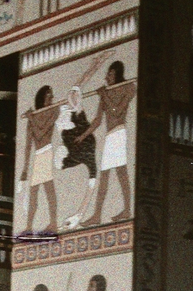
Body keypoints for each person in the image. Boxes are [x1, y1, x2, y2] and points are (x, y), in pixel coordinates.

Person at [77, 61, 136, 226]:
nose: (107, 78)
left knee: (112, 174)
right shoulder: (107, 93)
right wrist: (83, 136)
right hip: (110, 135)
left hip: (118, 132)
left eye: (110, 74)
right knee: (117, 173)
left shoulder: (127, 88)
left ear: (117, 74)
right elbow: (97, 120)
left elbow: (117, 111)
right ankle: (116, 211)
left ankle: (103, 213)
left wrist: (104, 95)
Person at [20, 85, 62, 235]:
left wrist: (31, 119)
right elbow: (28, 145)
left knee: (46, 189)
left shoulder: (54, 111)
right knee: (35, 191)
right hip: (38, 155)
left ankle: (52, 223)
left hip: (46, 151)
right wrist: (25, 169)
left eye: (52, 96)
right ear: (42, 97)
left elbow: (41, 133)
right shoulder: (34, 116)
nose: (51, 99)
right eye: (49, 96)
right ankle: (29, 226)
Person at [56, 86, 98, 229]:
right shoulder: (74, 120)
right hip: (79, 146)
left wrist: (79, 215)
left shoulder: (76, 120)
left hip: (80, 145)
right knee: (61, 163)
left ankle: (77, 216)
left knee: (61, 163)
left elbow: (92, 183)